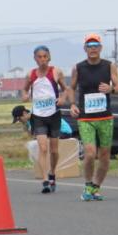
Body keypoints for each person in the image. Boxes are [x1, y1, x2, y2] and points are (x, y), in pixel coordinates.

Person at [69, 33, 118, 200]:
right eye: (89, 45)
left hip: (105, 118)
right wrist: (72, 104)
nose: (92, 48)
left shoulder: (109, 66)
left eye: (95, 45)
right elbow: (71, 88)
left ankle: (96, 187)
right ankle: (87, 185)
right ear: (85, 49)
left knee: (105, 155)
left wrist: (111, 89)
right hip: (86, 118)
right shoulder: (78, 67)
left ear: (100, 48)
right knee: (90, 153)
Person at [22, 45, 70, 194]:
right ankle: (45, 181)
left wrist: (62, 98)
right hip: (38, 116)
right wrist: (24, 95)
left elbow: (66, 89)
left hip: (53, 114)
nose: (42, 60)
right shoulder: (31, 74)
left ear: (49, 57)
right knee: (43, 148)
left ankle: (52, 173)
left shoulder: (56, 72)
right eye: (39, 57)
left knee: (54, 150)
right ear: (35, 59)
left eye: (45, 56)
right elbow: (24, 89)